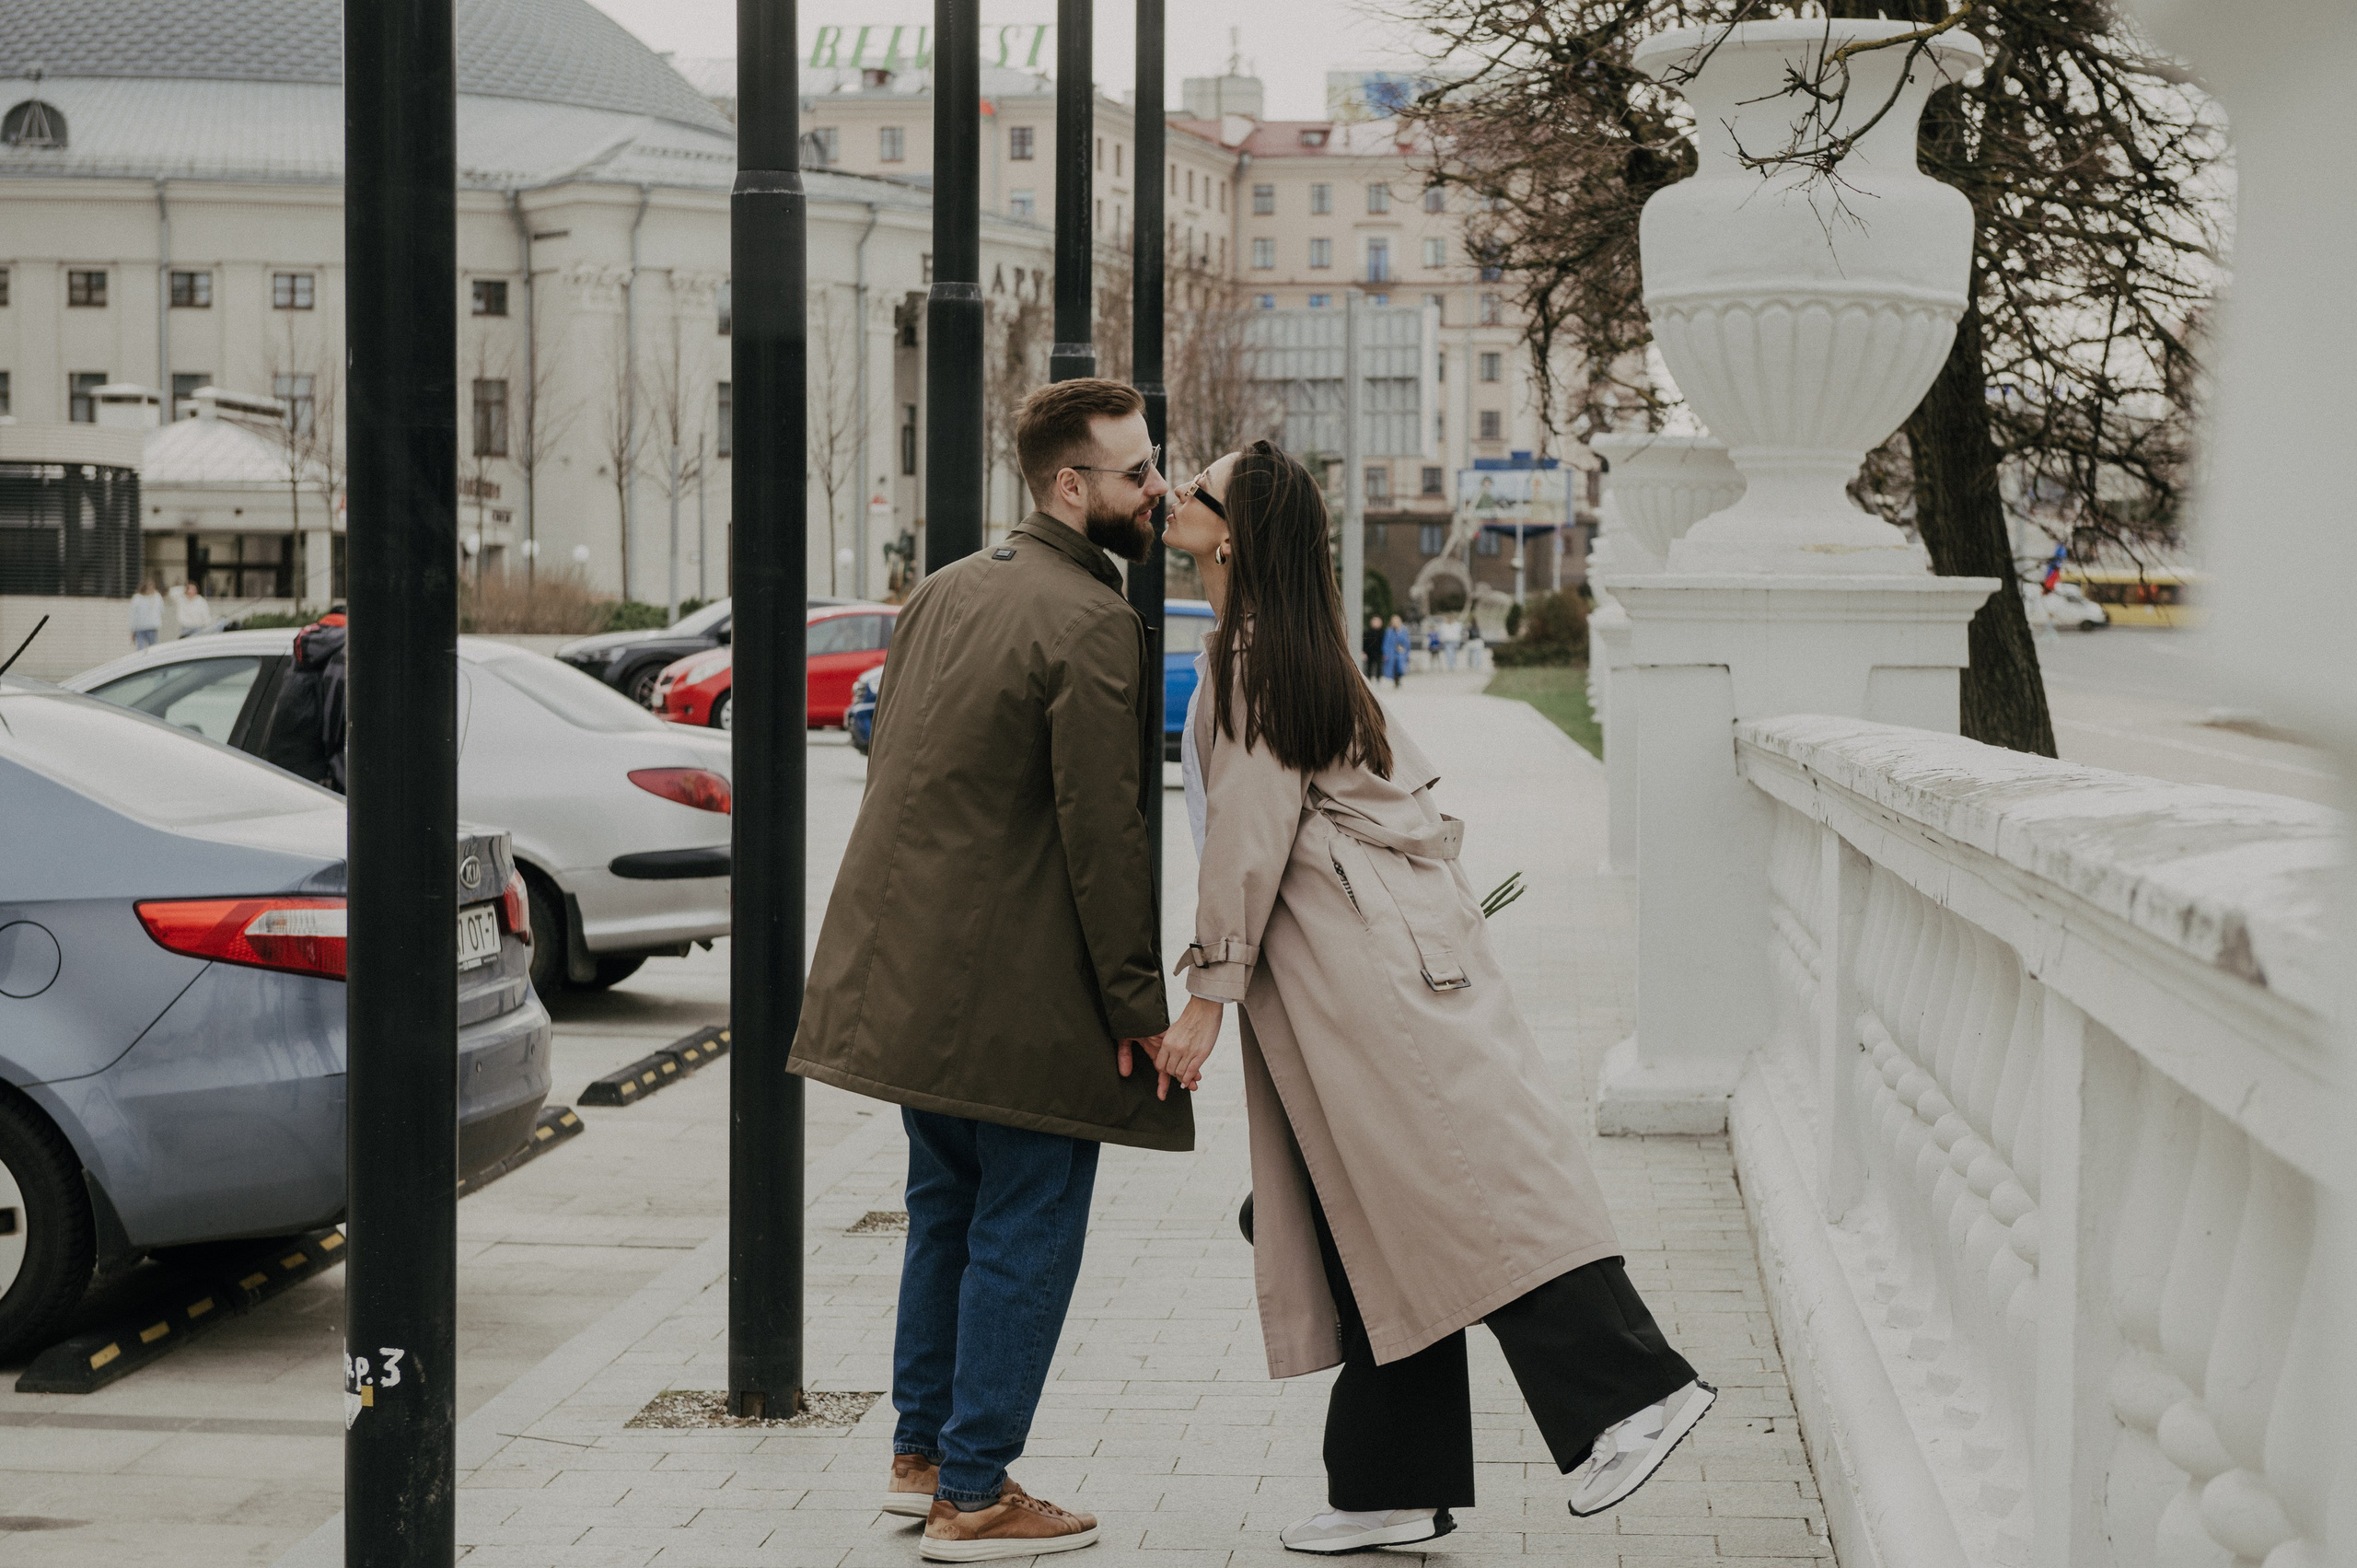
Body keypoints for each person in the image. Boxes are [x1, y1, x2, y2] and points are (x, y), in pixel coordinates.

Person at [1156, 440, 1713, 1555]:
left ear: (1233, 536)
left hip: (1363, 984)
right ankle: (1388, 1481)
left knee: (1465, 1190)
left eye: (1197, 491)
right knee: (1365, 1211)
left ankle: (1636, 1391)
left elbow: (1247, 846)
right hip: (1354, 970)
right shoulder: (1267, 647)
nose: (1175, 496)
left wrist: (1204, 1000)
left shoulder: (1257, 658)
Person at [793, 377, 1181, 1563]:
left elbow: (902, 773)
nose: (1157, 489)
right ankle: (973, 1494)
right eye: (1137, 472)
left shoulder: (945, 588)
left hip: (912, 977)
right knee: (1026, 1223)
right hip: (1021, 994)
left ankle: (921, 1457)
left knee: (944, 1211)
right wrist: (1138, 1006)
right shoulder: (1092, 621)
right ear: (1070, 485)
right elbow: (1105, 834)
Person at [129, 579, 164, 651]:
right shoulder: (138, 598)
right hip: (142, 628)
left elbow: (133, 615)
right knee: (151, 649)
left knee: (150, 649)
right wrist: (132, 629)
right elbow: (133, 615)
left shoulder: (156, 597)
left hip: (149, 627)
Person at [1380, 614, 1410, 688]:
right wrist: (1385, 653)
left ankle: (1398, 679)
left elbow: (1406, 642)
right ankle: (1396, 680)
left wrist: (1405, 649)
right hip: (1391, 652)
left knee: (1400, 666)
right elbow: (1386, 643)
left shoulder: (1403, 631)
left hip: (1401, 652)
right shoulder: (1389, 631)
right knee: (1393, 666)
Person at [1361, 613, 1385, 679]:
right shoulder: (1368, 632)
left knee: (1379, 666)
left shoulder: (1383, 633)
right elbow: (1365, 642)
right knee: (1369, 665)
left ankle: (1378, 678)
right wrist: (1364, 651)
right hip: (1370, 652)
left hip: (1379, 652)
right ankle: (1369, 678)